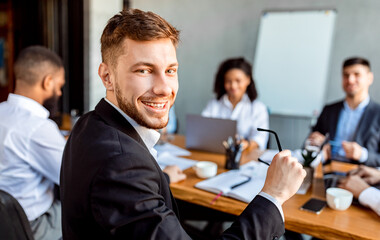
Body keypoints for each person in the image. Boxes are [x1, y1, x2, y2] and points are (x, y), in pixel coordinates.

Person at [60, 9, 306, 239]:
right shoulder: (123, 164)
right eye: (144, 71)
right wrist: (273, 195)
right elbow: (122, 177)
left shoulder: (89, 123)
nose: (164, 88)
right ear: (107, 77)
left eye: (170, 70)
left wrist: (161, 179)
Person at [0, 46, 66, 240]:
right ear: (48, 82)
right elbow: (73, 177)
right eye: (59, 86)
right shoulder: (38, 128)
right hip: (30, 226)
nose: (60, 93)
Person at [308, 57, 380, 167]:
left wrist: (363, 155)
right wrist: (317, 143)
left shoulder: (377, 114)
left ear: (369, 78)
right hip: (326, 173)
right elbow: (308, 145)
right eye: (346, 75)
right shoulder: (329, 110)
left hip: (361, 177)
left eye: (357, 74)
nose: (350, 80)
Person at [202, 58, 269, 150]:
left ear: (248, 80)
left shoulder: (258, 108)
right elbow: (203, 129)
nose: (233, 86)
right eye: (228, 81)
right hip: (217, 151)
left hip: (246, 155)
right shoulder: (214, 104)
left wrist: (247, 144)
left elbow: (260, 138)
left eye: (238, 81)